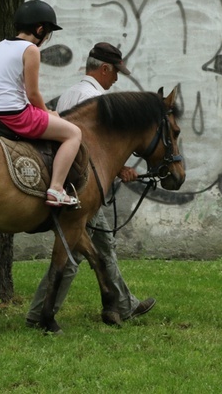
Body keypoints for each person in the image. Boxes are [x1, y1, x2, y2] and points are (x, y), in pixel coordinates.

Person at [26, 42, 156, 327]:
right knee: (75, 255)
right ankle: (40, 314)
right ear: (104, 68)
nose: (117, 79)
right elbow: (90, 146)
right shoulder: (95, 99)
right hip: (84, 186)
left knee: (101, 248)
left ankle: (121, 304)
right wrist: (120, 168)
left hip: (72, 180)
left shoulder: (71, 93)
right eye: (115, 72)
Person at [0, 0, 82, 207]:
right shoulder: (31, 50)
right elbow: (33, 94)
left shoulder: (1, 45)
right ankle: (56, 189)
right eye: (48, 32)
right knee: (74, 134)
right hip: (14, 115)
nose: (46, 38)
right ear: (40, 28)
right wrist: (47, 113)